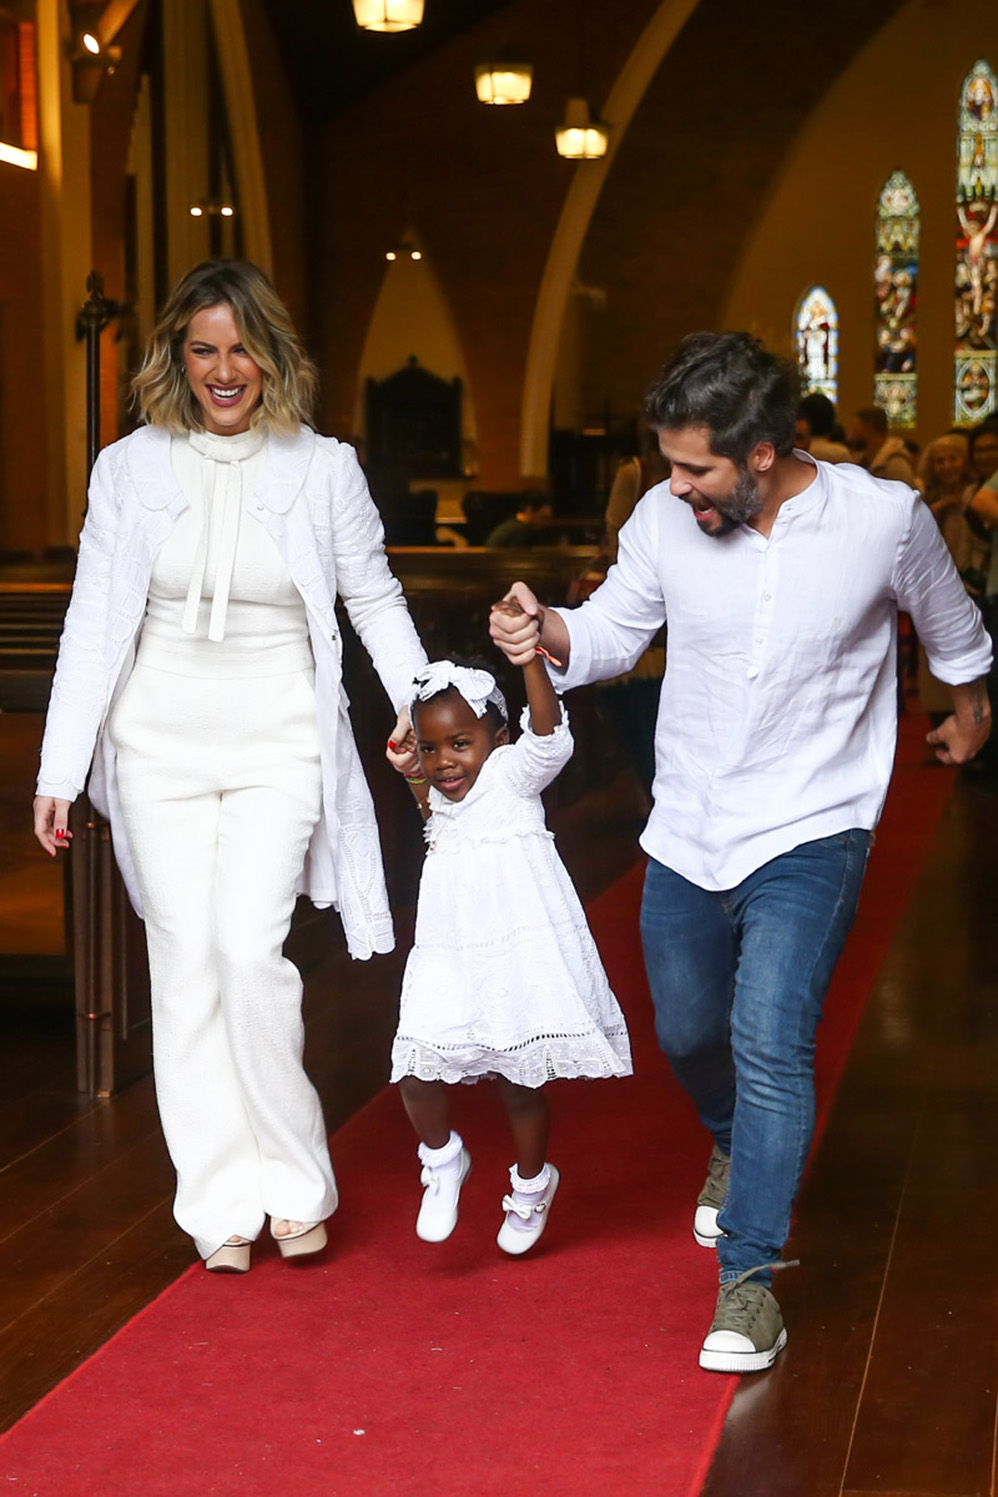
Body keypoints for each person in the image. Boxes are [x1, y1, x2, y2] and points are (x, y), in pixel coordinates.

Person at [489, 331, 992, 1372]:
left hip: (816, 822)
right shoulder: (666, 520)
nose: (673, 488)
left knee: (771, 1037)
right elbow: (614, 635)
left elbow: (946, 618)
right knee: (682, 1030)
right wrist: (544, 631)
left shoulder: (878, 520)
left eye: (693, 468)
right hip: (688, 821)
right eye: (668, 465)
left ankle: (749, 1281)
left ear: (761, 452)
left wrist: (966, 705)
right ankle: (733, 1138)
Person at [33, 260, 427, 1273]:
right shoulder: (128, 469)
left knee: (250, 951)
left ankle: (295, 1186)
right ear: (175, 355)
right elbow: (91, 624)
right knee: (185, 963)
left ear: (270, 354)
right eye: (202, 349)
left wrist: (424, 708)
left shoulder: (322, 467)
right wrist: (60, 768)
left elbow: (372, 600)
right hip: (155, 742)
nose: (222, 369)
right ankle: (217, 1206)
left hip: (276, 737)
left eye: (239, 348)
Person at [388, 655, 632, 1255]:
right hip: (450, 953)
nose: (446, 761)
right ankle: (443, 1160)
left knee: (518, 1080)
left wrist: (530, 664)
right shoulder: (442, 792)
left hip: (515, 956)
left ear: (498, 740)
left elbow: (547, 733)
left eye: (462, 743)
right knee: (414, 1067)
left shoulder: (512, 776)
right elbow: (434, 818)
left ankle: (531, 1184)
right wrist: (411, 775)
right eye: (432, 746)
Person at [850, 404, 917, 486]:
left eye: (856, 428)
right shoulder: (861, 460)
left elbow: (908, 496)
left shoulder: (896, 464)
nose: (851, 434)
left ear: (868, 428)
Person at [485, 495, 554, 548]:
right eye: (543, 518)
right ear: (529, 511)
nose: (546, 523)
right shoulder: (522, 530)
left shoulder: (513, 524)